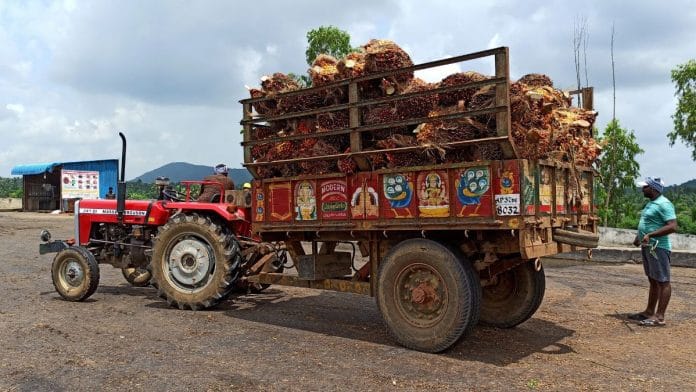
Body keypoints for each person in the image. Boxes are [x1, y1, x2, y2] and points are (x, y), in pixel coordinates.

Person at [629, 177, 677, 327]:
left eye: (645, 187)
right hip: (648, 247)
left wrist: (651, 235)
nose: (642, 189)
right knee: (653, 280)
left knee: (663, 281)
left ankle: (660, 316)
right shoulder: (651, 204)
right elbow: (648, 224)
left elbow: (673, 226)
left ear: (654, 189)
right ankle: (649, 312)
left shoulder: (664, 204)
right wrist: (639, 237)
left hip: (659, 247)